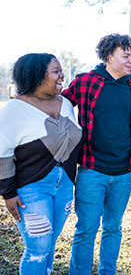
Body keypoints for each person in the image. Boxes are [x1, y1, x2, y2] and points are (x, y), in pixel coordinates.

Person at [62, 34, 131, 275]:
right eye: (126, 55)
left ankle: (107, 271)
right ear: (109, 57)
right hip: (92, 171)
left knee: (113, 228)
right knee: (86, 228)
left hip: (123, 174)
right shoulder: (86, 82)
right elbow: (59, 106)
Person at [0, 53, 82, 274]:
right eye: (55, 71)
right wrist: (7, 194)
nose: (62, 75)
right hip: (31, 186)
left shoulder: (65, 104)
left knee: (50, 244)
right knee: (38, 246)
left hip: (64, 185)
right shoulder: (13, 110)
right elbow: (2, 154)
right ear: (36, 77)